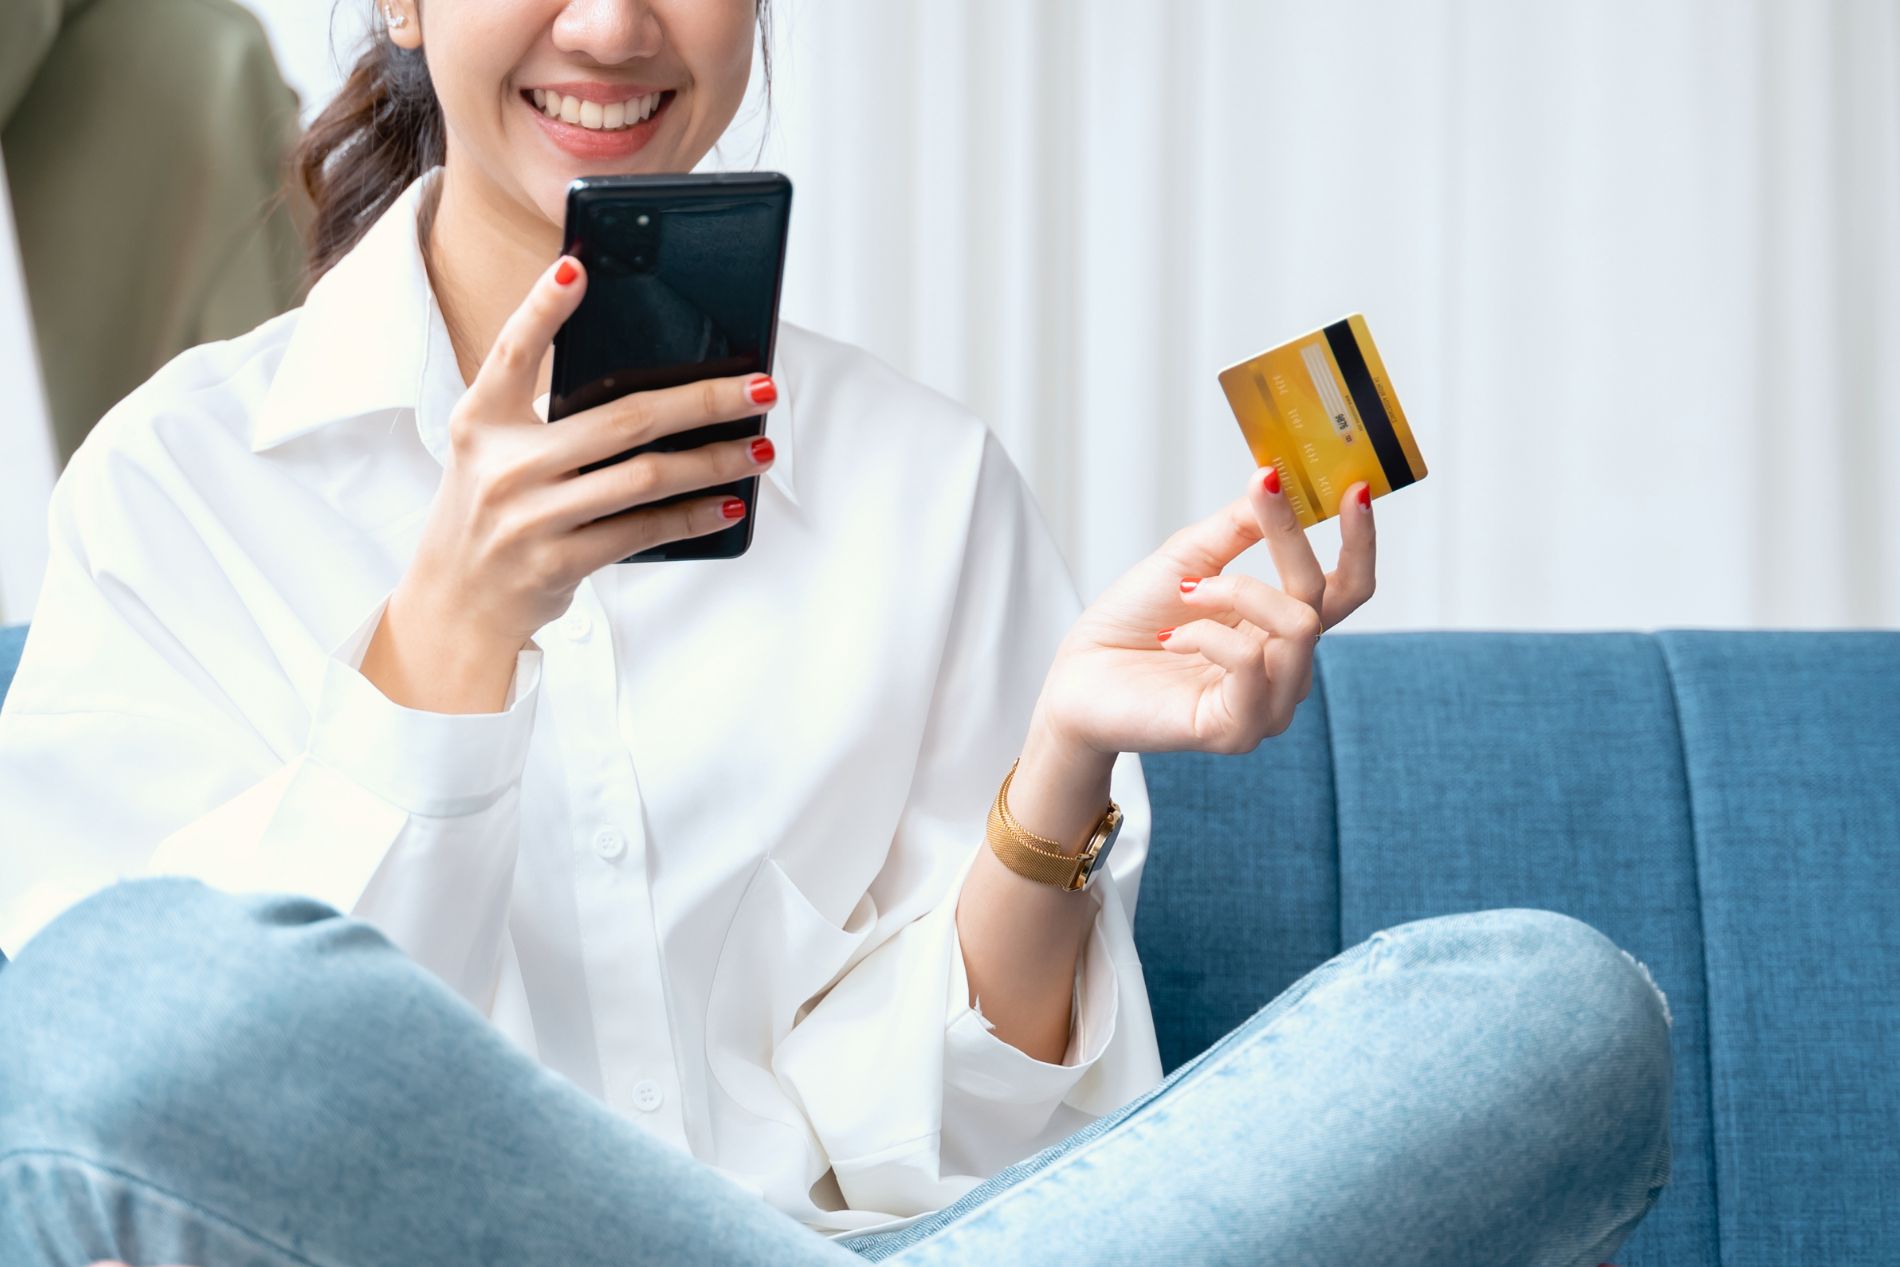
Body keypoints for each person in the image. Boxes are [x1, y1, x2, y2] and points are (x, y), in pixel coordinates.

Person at [0, 1, 1673, 1263]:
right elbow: (140, 1118)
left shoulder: (921, 487)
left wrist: (1054, 786)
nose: (609, 26)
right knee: (123, 992)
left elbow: (988, 1174)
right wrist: (449, 633)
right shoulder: (180, 485)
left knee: (1548, 1014)